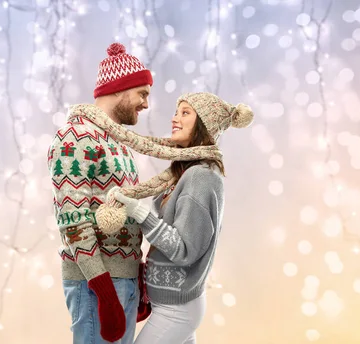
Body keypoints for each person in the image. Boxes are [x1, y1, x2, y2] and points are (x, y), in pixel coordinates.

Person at [108, 92, 254, 344]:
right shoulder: (184, 171)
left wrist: (138, 212)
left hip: (177, 311)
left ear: (204, 124)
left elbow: (185, 249)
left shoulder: (201, 177)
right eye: (177, 112)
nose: (175, 118)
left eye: (186, 113)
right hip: (171, 305)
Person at [47, 42, 153, 343]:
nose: (146, 104)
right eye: (142, 94)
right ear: (119, 89)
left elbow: (122, 210)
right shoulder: (75, 138)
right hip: (97, 284)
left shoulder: (115, 140)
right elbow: (73, 220)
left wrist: (135, 274)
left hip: (121, 279)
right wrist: (105, 291)